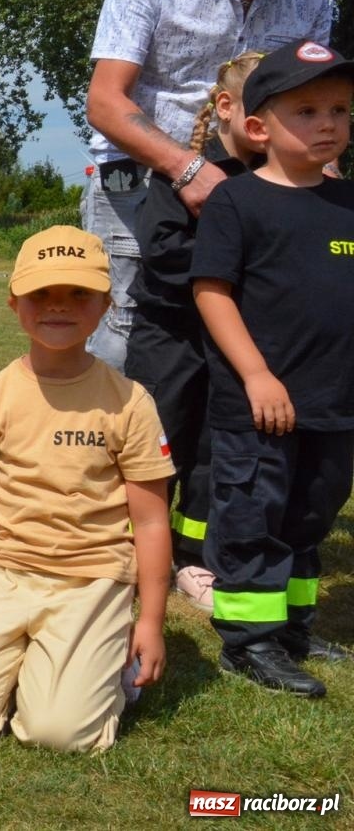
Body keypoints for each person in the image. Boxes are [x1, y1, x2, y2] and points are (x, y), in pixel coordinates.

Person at [83, 0, 340, 371]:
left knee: (249, 337)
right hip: (139, 185)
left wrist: (326, 188)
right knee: (126, 335)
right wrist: (189, 169)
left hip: (255, 188)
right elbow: (104, 102)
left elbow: (313, 101)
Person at [0, 226, 172, 754]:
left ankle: (101, 669)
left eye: (78, 293)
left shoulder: (130, 403)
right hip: (3, 572)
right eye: (41, 293)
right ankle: (31, 667)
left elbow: (150, 521)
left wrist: (150, 621)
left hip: (90, 579)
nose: (58, 306)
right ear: (14, 303)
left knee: (59, 734)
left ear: (105, 305)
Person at [191, 41, 354, 699]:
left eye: (339, 110)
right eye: (307, 111)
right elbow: (211, 292)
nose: (328, 124)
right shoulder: (237, 202)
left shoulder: (348, 203)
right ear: (257, 127)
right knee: (253, 519)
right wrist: (257, 374)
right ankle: (249, 642)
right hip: (259, 409)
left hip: (334, 404)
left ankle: (291, 628)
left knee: (310, 517)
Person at [124, 52, 266, 611]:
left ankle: (194, 557)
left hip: (231, 343)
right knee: (159, 444)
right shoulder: (185, 173)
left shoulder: (273, 181)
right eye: (262, 105)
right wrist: (232, 266)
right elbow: (161, 250)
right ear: (226, 107)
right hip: (170, 334)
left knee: (213, 450)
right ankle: (137, 550)